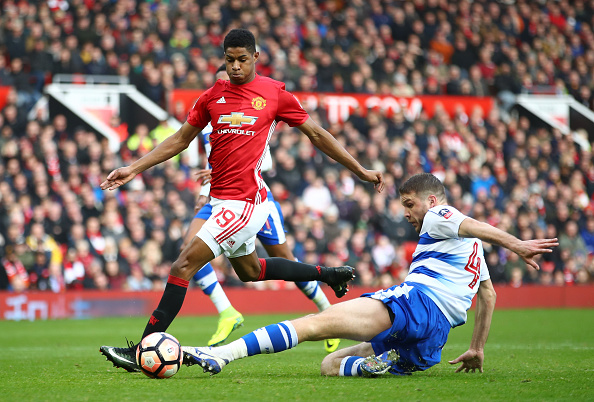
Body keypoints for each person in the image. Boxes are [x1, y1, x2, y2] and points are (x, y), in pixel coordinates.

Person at [99, 29, 383, 372]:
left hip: (245, 203)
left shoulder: (274, 94)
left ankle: (140, 350)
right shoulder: (211, 96)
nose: (235, 67)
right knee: (251, 270)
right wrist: (133, 168)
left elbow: (317, 135)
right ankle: (327, 275)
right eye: (229, 60)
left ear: (255, 57)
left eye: (242, 60)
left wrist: (359, 170)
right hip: (223, 202)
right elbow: (179, 140)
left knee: (181, 267)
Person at [181, 173, 558, 377]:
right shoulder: (472, 252)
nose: (407, 214)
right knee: (331, 366)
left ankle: (221, 355)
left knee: (315, 325)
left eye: (410, 205)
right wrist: (477, 348)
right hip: (434, 337)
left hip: (417, 304)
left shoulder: (442, 214)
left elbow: (474, 224)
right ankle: (375, 365)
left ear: (432, 200)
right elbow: (488, 296)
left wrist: (518, 244)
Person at [185, 65, 341, 351]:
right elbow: (210, 165)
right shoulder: (207, 119)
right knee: (188, 249)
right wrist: (204, 190)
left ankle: (327, 311)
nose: (227, 87)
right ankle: (226, 311)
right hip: (217, 199)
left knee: (285, 261)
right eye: (221, 83)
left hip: (254, 199)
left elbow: (264, 162)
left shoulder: (249, 117)